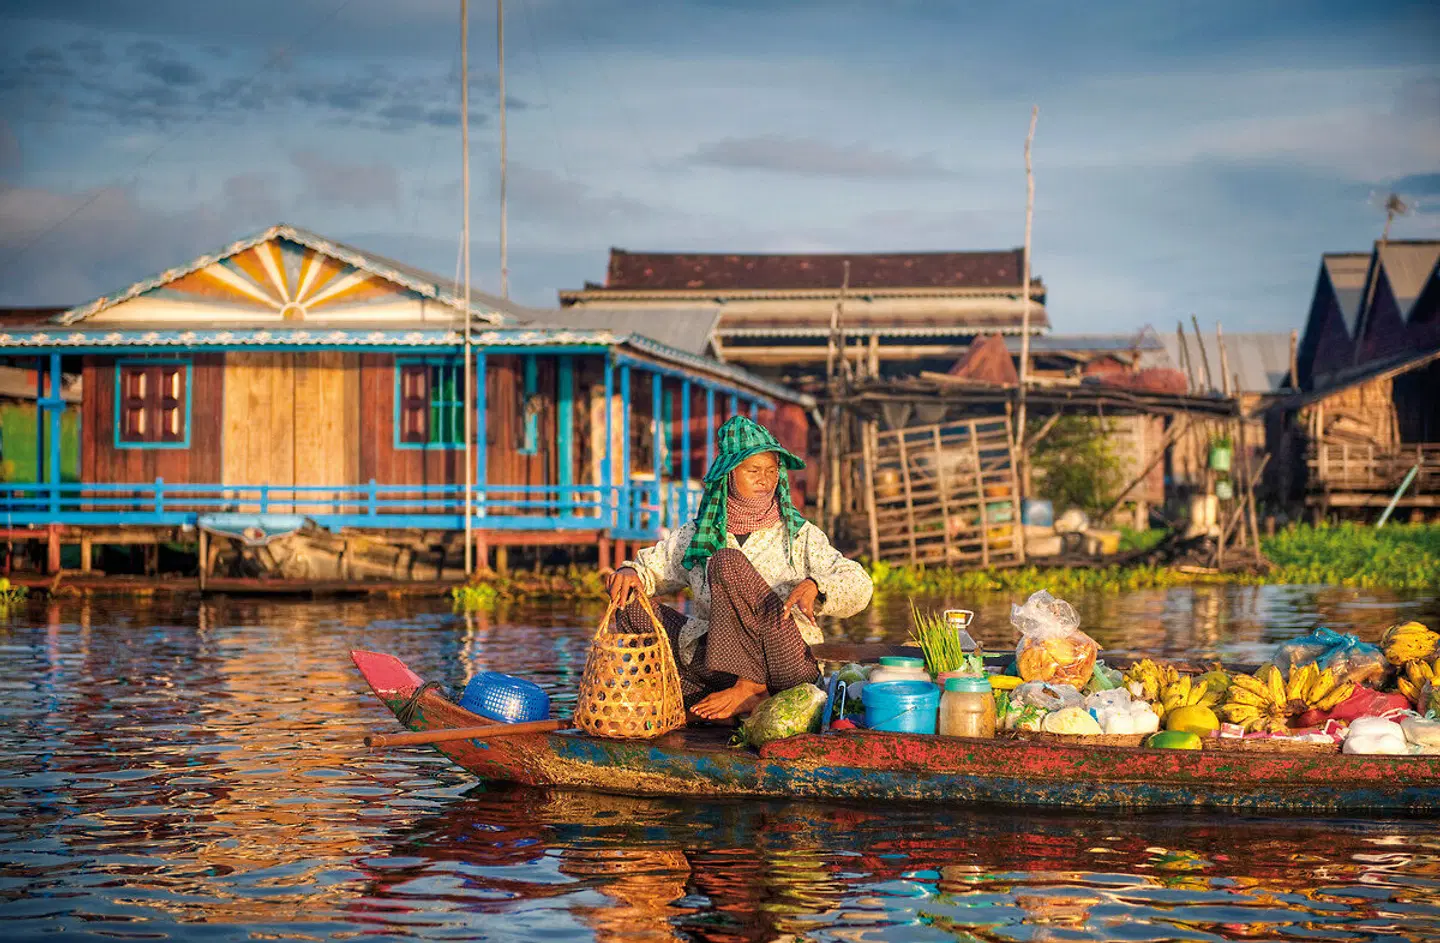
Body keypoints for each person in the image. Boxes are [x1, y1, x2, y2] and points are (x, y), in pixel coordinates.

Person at [606, 415, 873, 722]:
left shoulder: (799, 535)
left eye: (772, 471)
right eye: (754, 470)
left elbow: (859, 583)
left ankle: (752, 690)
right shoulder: (698, 534)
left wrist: (817, 585)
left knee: (726, 561)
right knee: (628, 606)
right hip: (723, 668)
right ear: (730, 475)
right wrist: (630, 574)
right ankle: (717, 694)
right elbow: (651, 569)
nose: (765, 479)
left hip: (786, 664)